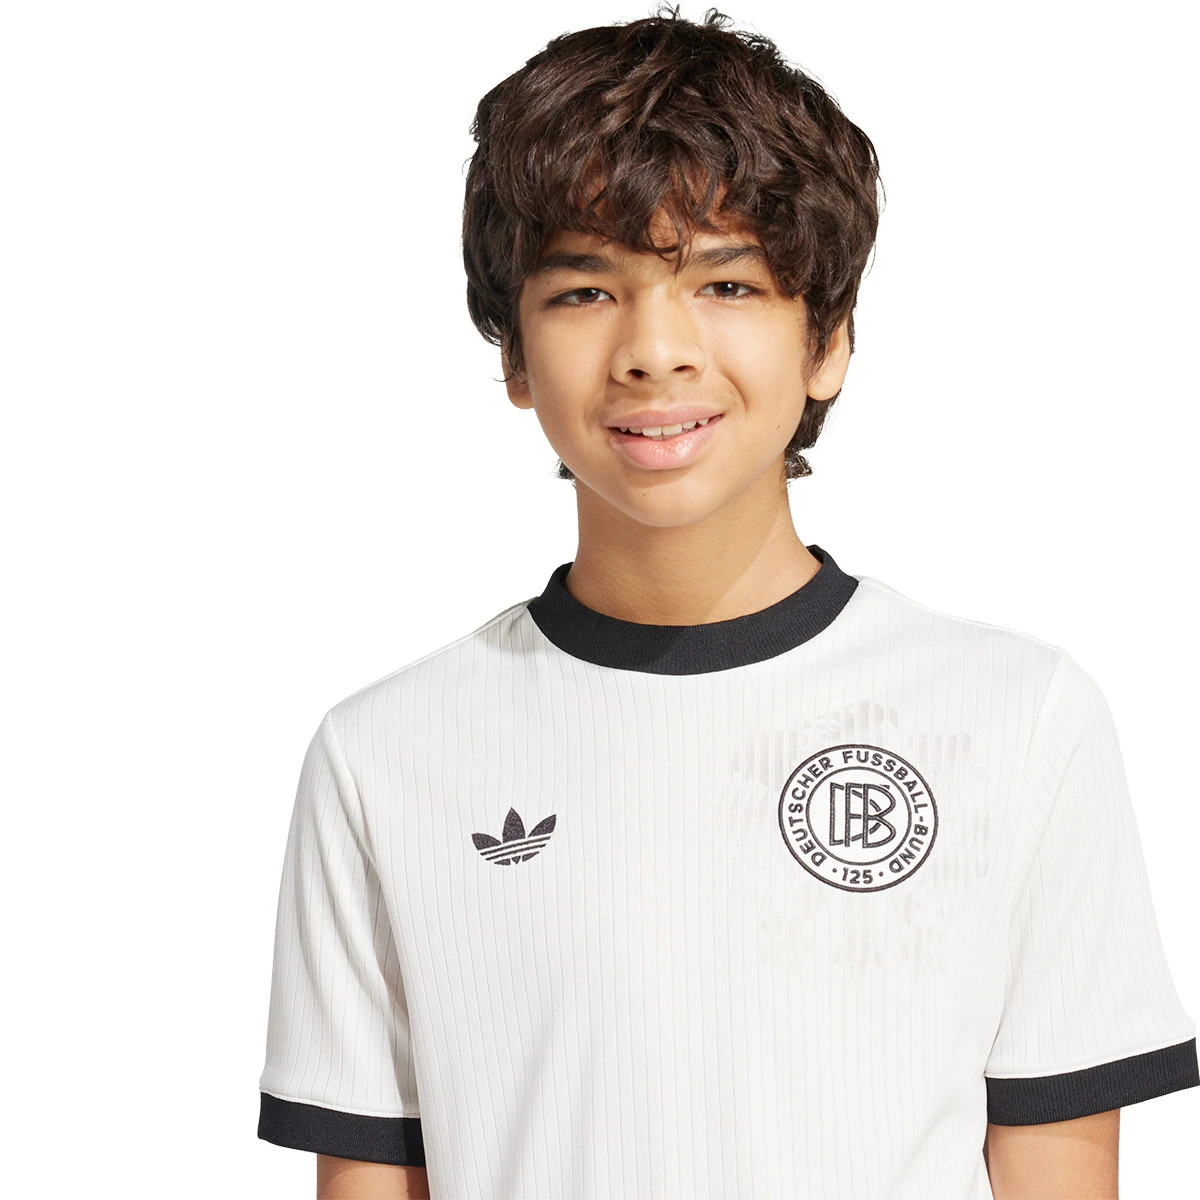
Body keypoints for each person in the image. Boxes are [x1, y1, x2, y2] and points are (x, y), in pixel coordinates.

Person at [256, 7, 1199, 1197]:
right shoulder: (385, 755)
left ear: (829, 342)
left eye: (727, 282)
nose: (656, 350)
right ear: (513, 357)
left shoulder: (1020, 717)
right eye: (585, 290)